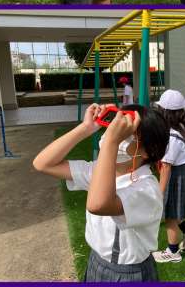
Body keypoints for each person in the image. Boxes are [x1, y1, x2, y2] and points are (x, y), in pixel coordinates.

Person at [33, 103, 169, 281]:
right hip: (96, 260)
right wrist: (85, 128)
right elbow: (43, 164)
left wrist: (111, 142)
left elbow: (98, 204)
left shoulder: (147, 190)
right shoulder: (98, 171)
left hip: (128, 273)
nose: (111, 134)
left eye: (126, 134)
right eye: (113, 128)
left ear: (146, 151)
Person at [152, 90, 185, 263]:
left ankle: (173, 252)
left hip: (175, 175)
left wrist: (160, 192)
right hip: (182, 172)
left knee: (170, 215)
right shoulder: (181, 128)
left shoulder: (172, 135)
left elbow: (166, 167)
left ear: (165, 112)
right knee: (175, 210)